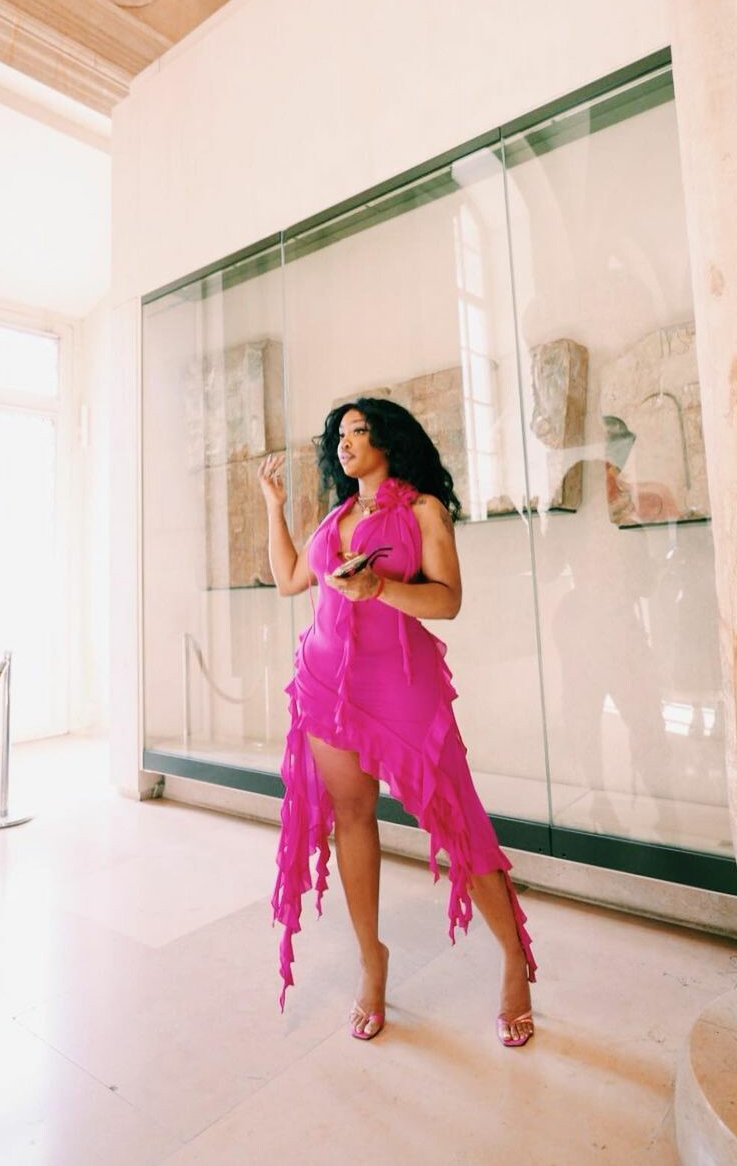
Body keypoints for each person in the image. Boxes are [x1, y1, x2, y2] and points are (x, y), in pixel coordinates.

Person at [261, 397, 537, 1046]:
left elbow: (448, 600)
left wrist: (378, 588)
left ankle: (513, 958)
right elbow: (290, 579)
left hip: (401, 687)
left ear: (388, 439)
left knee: (459, 822)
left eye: (359, 431)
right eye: (340, 434)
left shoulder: (422, 511)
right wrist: (274, 507)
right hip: (326, 684)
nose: (345, 442)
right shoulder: (336, 517)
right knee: (352, 818)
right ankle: (372, 961)